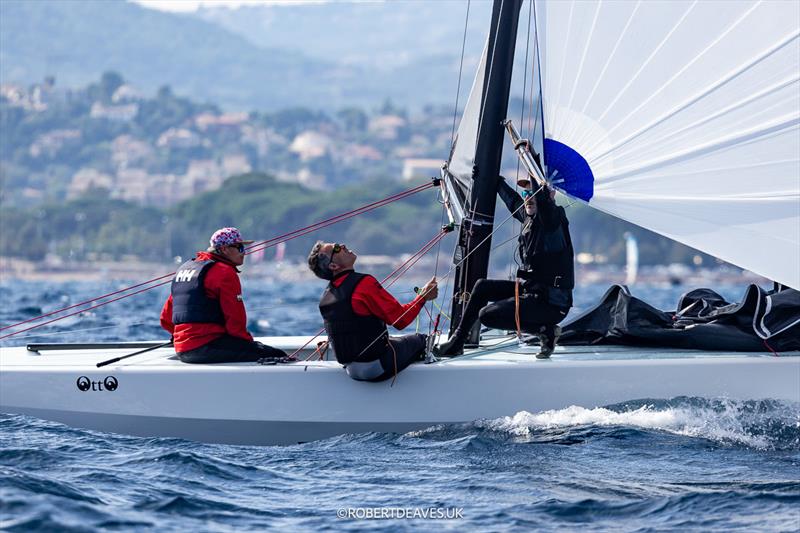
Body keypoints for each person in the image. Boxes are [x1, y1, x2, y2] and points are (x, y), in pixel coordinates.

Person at [436, 175, 574, 358]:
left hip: (551, 304)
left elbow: (545, 205)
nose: (528, 197)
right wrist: (496, 180)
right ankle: (457, 341)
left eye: (533, 193)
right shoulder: (528, 217)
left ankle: (545, 330)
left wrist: (533, 166)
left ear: (548, 196)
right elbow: (512, 200)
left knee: (487, 315)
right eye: (526, 193)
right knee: (482, 287)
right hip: (532, 291)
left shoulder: (553, 220)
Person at [307, 241, 438, 382]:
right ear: (333, 266)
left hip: (351, 371)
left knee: (394, 341)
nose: (343, 245)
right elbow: (401, 320)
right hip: (377, 367)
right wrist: (423, 297)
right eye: (337, 248)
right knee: (422, 340)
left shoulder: (327, 296)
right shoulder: (364, 283)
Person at [160, 227, 288, 364]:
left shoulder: (184, 269)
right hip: (207, 347)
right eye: (239, 248)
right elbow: (235, 323)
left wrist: (183, 338)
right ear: (224, 249)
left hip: (182, 350)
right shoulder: (224, 272)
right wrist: (251, 346)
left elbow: (166, 319)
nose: (244, 253)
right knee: (278, 355)